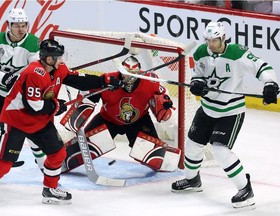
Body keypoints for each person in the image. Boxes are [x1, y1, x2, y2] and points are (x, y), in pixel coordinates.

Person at [0, 39, 121, 204]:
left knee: (58, 153)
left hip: (40, 122)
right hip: (16, 120)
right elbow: (33, 105)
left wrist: (105, 81)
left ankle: (50, 189)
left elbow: (78, 80)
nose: (62, 60)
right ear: (48, 59)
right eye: (58, 57)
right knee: (5, 162)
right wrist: (56, 105)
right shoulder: (34, 73)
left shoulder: (59, 69)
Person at [171, 21, 279, 208]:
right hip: (207, 109)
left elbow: (263, 67)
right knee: (192, 145)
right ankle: (192, 180)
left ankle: (246, 190)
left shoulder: (238, 53)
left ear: (223, 38)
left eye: (214, 40)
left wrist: (270, 84)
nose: (210, 44)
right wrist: (197, 84)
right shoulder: (200, 53)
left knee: (220, 150)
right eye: (208, 40)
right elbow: (199, 74)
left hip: (230, 111)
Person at [61, 56, 179, 173]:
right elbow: (89, 97)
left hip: (139, 121)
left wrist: (164, 105)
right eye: (126, 73)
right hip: (108, 119)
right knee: (85, 149)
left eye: (133, 73)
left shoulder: (151, 82)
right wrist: (74, 120)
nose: (129, 76)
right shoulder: (109, 80)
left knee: (153, 155)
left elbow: (165, 106)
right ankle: (58, 161)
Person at [0, 8, 46, 169]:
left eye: (24, 25)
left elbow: (36, 71)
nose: (21, 29)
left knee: (30, 132)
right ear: (9, 25)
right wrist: (4, 78)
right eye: (17, 25)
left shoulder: (34, 43)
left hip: (19, 98)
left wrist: (19, 81)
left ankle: (45, 166)